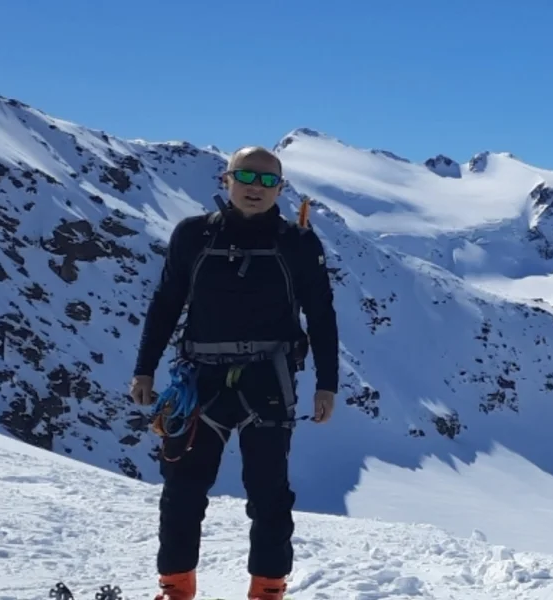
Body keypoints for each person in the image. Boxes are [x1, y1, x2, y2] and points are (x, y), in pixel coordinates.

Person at [128, 146, 339, 600]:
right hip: (199, 380)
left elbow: (321, 315)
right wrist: (144, 369)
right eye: (247, 176)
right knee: (182, 491)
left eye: (268, 181)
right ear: (226, 180)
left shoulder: (298, 244)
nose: (256, 187)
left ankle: (267, 591)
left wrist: (327, 384)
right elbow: (165, 303)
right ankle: (176, 589)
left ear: (281, 189)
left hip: (268, 379)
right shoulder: (192, 236)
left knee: (269, 495)